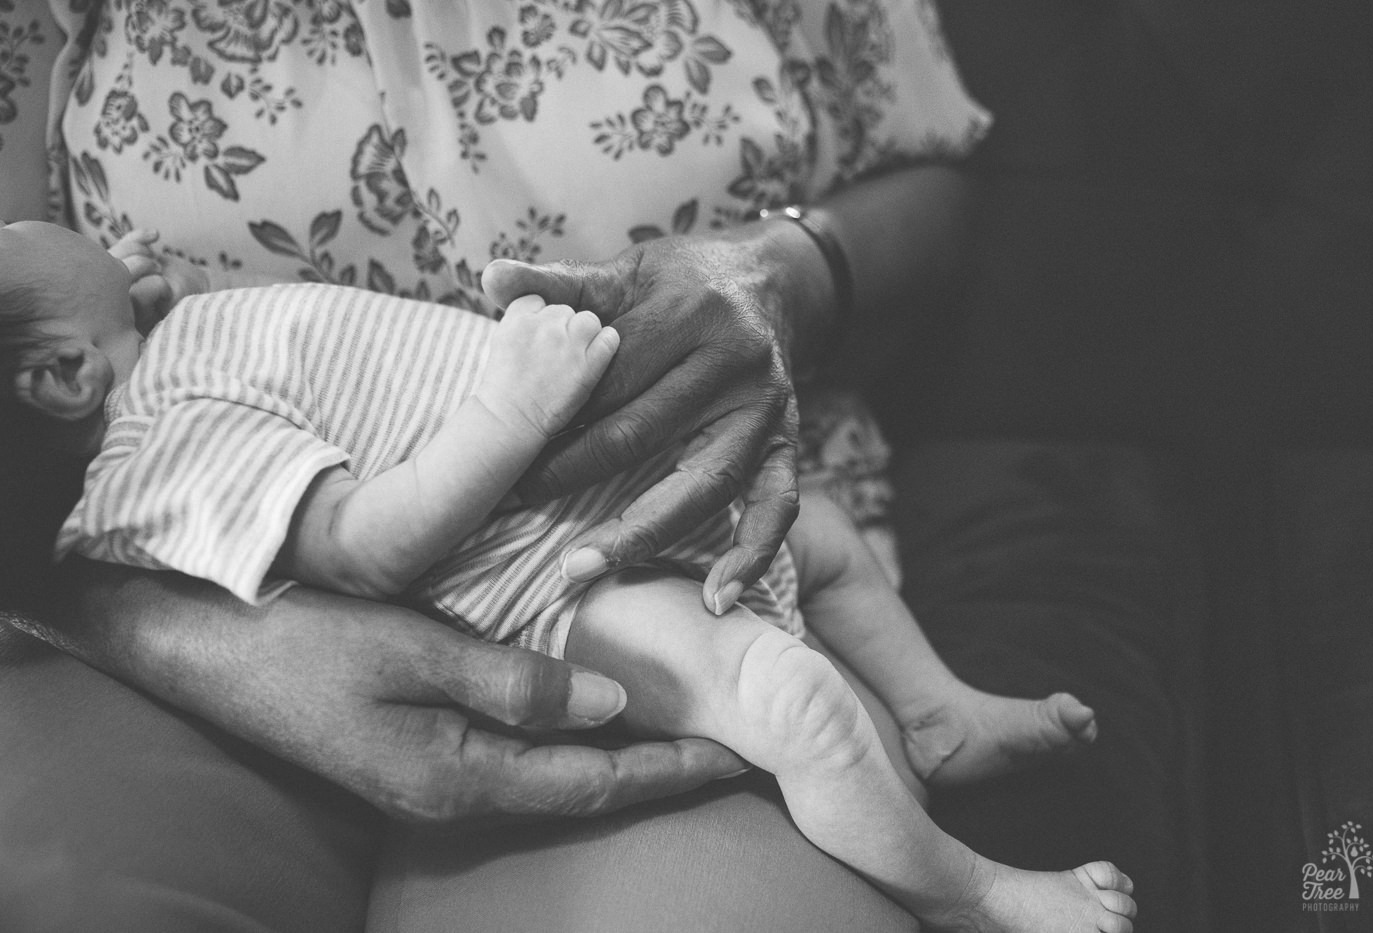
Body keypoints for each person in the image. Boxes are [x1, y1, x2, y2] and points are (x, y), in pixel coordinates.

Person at [0, 1, 1206, 930]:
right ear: (60, 377)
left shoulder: (151, 333)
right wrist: (190, 637)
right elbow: (360, 541)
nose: (146, 282)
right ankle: (978, 890)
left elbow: (931, 164)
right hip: (180, 605)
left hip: (665, 516)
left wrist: (785, 275)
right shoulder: (160, 411)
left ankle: (934, 730)